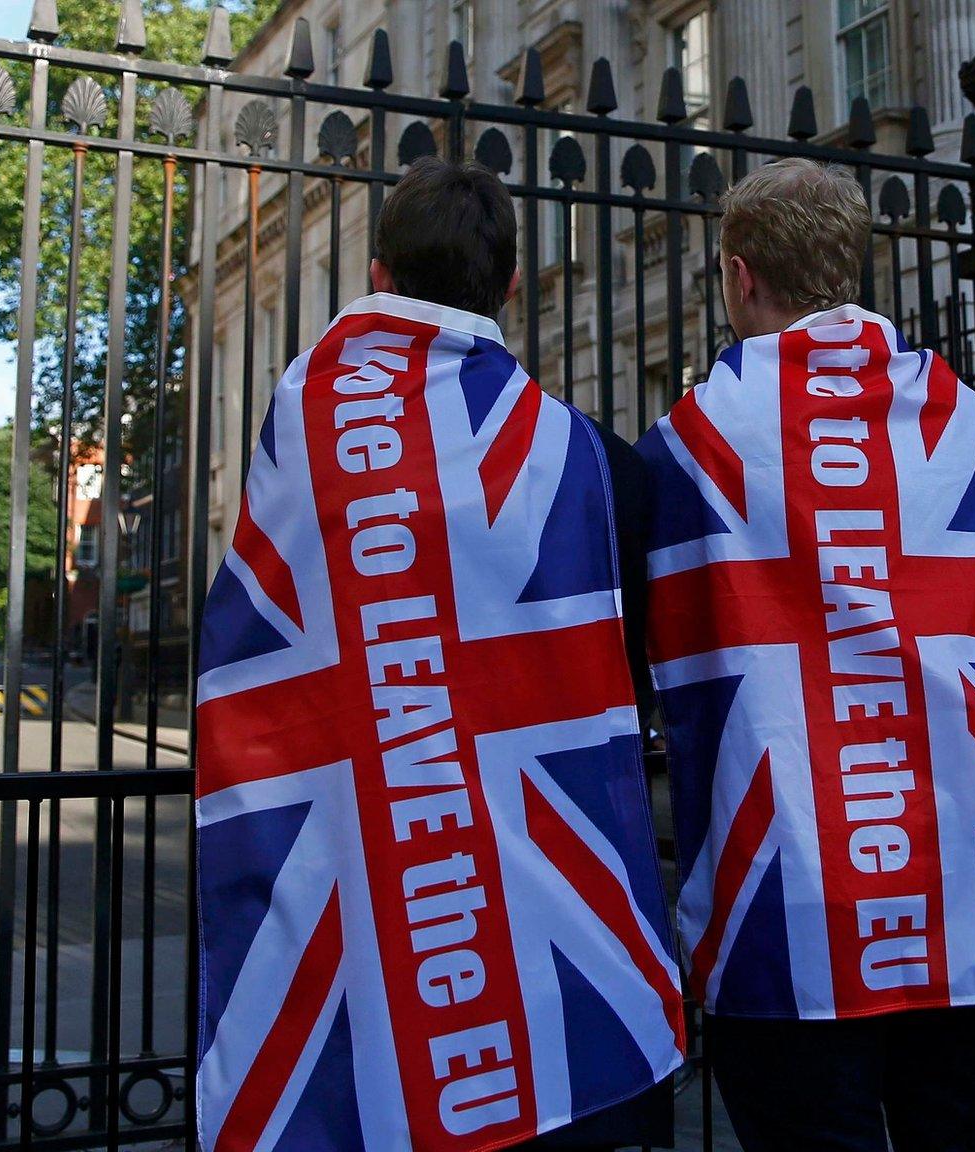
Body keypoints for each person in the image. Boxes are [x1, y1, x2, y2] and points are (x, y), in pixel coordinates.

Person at [194, 157, 681, 1152]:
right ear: (508, 285)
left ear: (376, 275)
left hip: (379, 913)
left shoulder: (303, 432)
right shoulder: (588, 459)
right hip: (550, 966)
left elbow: (253, 650)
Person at [638, 157, 975, 1151]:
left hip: (785, 903)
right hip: (957, 881)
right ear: (851, 266)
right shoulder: (964, 421)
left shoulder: (692, 439)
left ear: (741, 277)